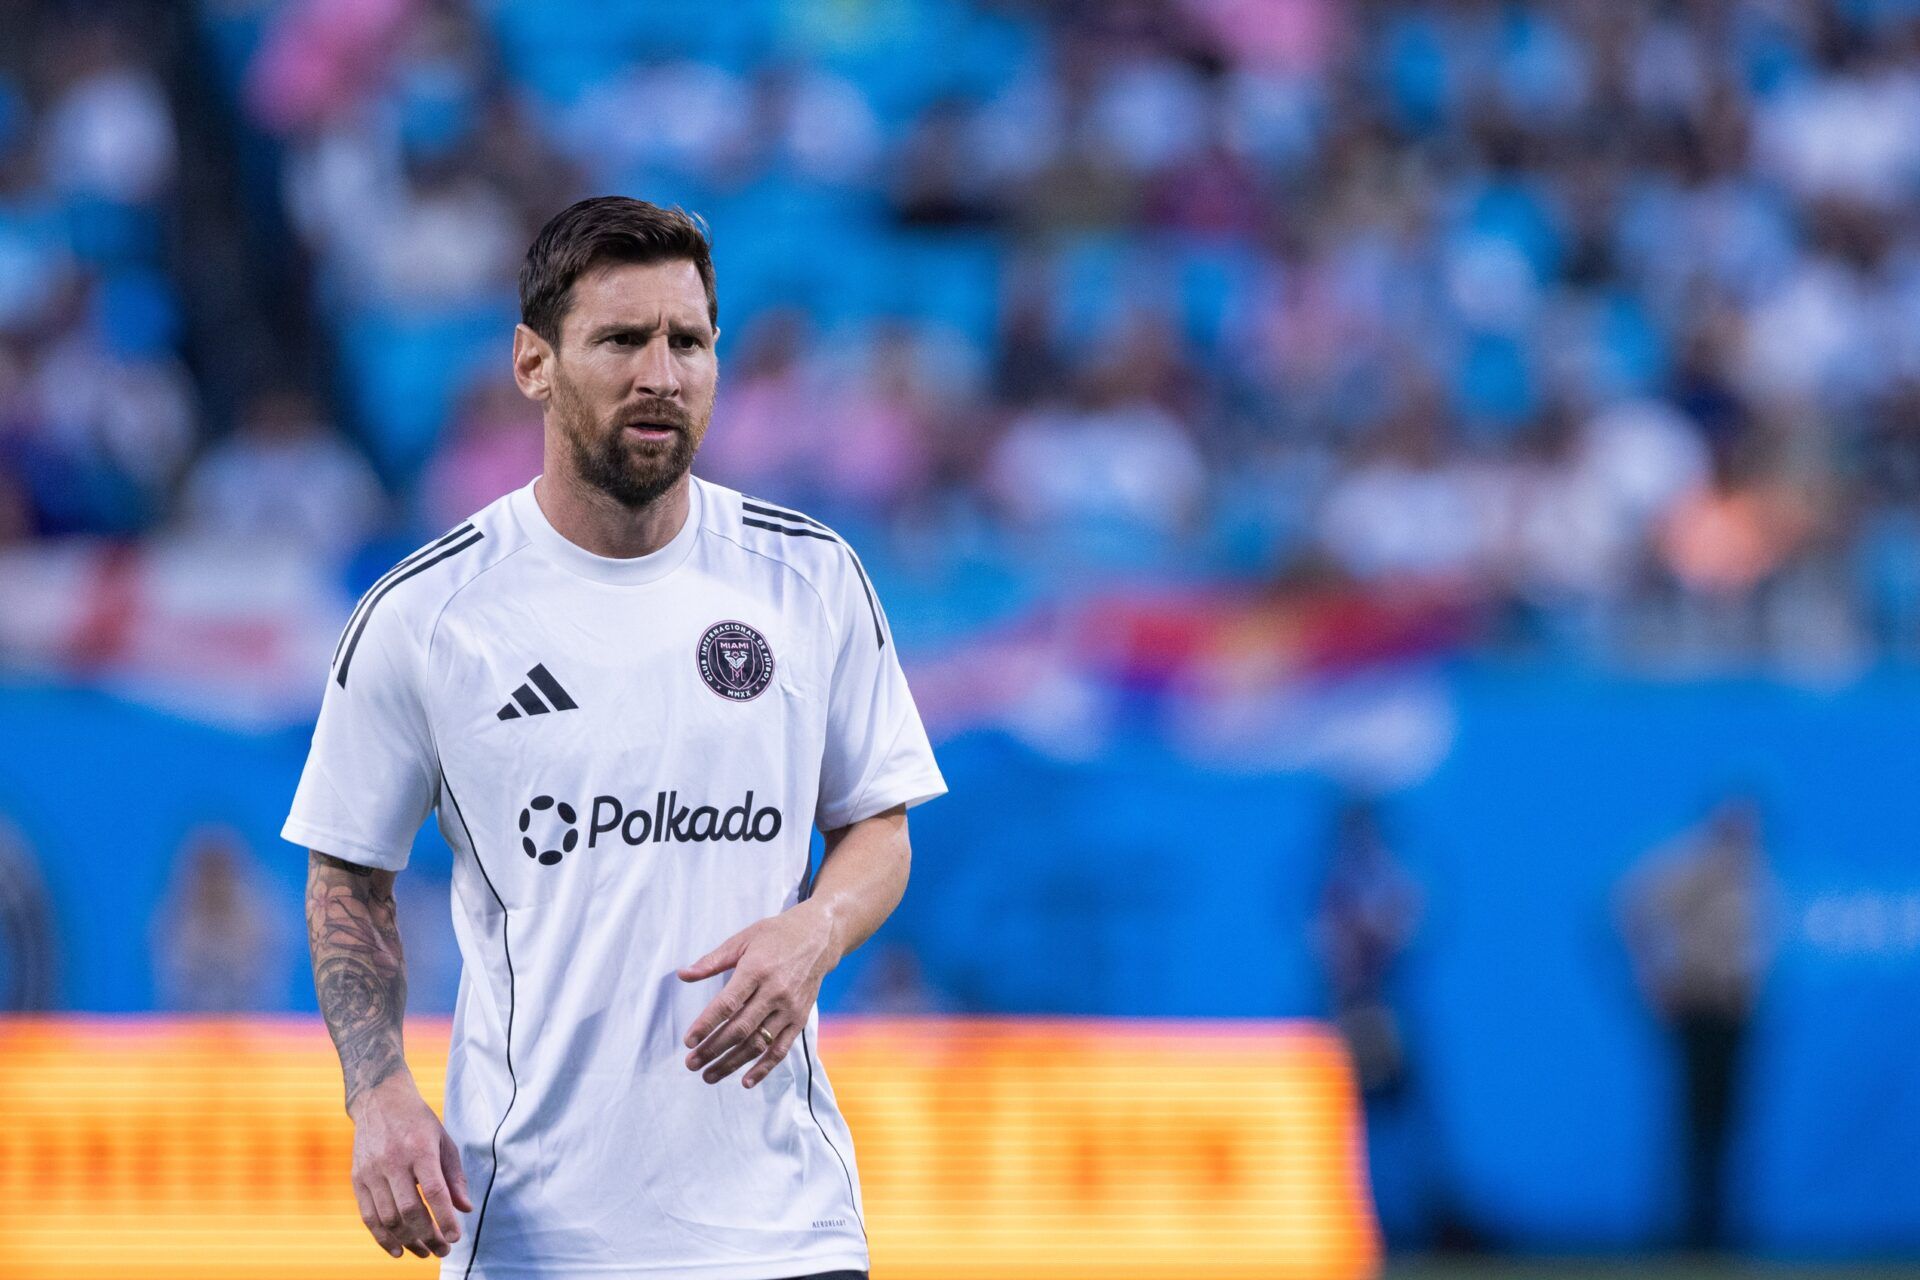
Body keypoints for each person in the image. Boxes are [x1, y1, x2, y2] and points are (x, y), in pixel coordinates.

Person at [284, 197, 948, 1279]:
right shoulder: (429, 615)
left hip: (786, 1230)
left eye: (688, 341)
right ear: (533, 364)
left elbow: (879, 826)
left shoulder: (811, 577)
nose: (661, 374)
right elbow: (347, 877)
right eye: (622, 340)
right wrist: (378, 1091)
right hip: (534, 1236)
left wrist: (817, 928)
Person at [1617, 795, 1776, 1251]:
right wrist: (1655, 979)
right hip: (1700, 1004)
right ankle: (1688, 1230)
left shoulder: (1753, 872)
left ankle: (1721, 1227)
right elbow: (1633, 906)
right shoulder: (1691, 865)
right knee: (1695, 1124)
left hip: (1736, 1010)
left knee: (1728, 1124)